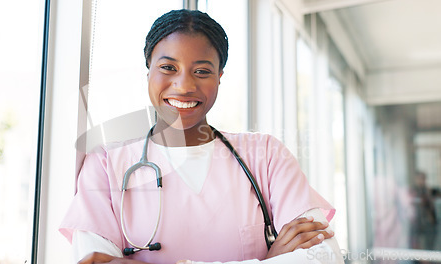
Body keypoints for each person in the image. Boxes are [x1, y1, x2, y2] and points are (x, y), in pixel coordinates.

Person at [60, 9, 343, 264]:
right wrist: (270, 260)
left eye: (202, 71)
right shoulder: (106, 163)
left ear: (220, 76)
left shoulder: (265, 155)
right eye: (168, 67)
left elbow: (324, 257)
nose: (184, 86)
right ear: (148, 71)